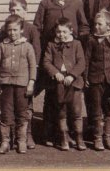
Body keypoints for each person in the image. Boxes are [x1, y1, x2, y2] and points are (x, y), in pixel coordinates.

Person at [33, 0, 89, 146]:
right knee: (52, 96)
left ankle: (72, 134)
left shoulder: (77, 3)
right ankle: (50, 133)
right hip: (51, 53)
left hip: (71, 53)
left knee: (72, 100)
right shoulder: (46, 3)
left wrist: (76, 41)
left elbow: (84, 25)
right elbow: (37, 27)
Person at [0, 0, 40, 149]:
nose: (15, 12)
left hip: (24, 77)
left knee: (25, 108)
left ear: (25, 11)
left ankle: (26, 136)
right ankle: (8, 139)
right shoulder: (4, 30)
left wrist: (31, 79)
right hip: (7, 79)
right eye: (12, 10)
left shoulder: (31, 29)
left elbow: (36, 54)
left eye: (18, 10)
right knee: (7, 109)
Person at [42, 18, 86, 151]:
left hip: (74, 83)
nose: (61, 35)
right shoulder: (51, 45)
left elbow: (81, 62)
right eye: (59, 32)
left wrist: (72, 75)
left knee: (76, 112)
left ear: (71, 31)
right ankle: (64, 138)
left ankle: (79, 138)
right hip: (58, 82)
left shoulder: (76, 44)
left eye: (64, 32)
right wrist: (56, 73)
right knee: (62, 113)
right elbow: (46, 62)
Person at [84, 14, 110, 151]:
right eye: (95, 24)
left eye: (100, 24)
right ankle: (98, 139)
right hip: (95, 80)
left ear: (108, 26)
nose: (96, 26)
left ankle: (108, 137)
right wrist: (85, 77)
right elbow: (87, 60)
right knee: (96, 110)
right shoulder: (91, 40)